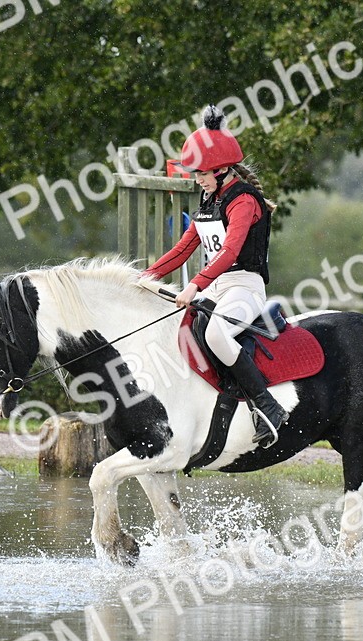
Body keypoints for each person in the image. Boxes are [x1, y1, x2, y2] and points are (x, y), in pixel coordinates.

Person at [139, 105, 288, 448]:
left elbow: (230, 252)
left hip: (244, 289)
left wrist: (193, 285)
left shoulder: (243, 201)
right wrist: (143, 278)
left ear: (222, 169)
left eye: (202, 173)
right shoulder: (209, 200)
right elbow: (182, 249)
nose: (198, 180)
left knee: (218, 336)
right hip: (216, 290)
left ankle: (268, 406)